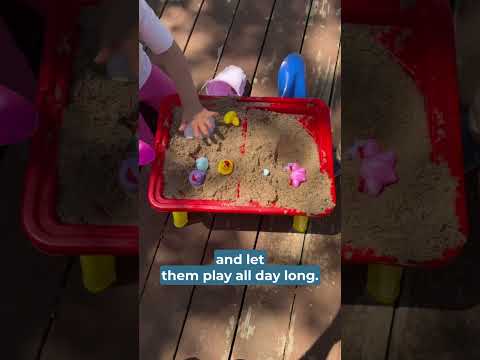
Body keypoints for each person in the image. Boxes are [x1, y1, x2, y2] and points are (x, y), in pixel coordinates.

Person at [95, 0, 217, 166]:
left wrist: (193, 106)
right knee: (147, 154)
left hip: (145, 76)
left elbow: (169, 52)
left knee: (179, 106)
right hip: (110, 98)